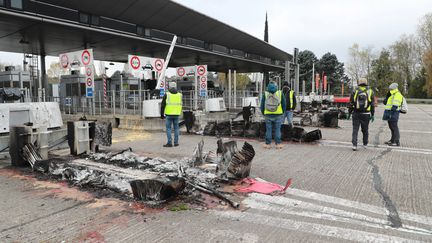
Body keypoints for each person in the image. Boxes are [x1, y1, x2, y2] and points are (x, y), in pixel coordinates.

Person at [348, 78, 375, 151]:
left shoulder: (355, 91)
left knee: (355, 129)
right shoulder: (370, 91)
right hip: (366, 114)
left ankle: (354, 145)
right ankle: (365, 144)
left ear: (359, 83)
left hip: (356, 113)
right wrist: (372, 114)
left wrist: (349, 113)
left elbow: (351, 103)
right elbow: (372, 104)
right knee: (365, 130)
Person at [260, 81, 286, 149]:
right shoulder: (280, 93)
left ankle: (268, 144)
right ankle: (278, 144)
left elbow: (262, 105)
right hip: (278, 115)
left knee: (268, 130)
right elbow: (284, 104)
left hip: (268, 115)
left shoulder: (265, 94)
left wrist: (263, 113)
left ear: (268, 87)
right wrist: (282, 112)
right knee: (277, 129)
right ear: (276, 86)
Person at [160, 82, 182, 147]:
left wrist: (161, 114)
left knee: (168, 128)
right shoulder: (180, 95)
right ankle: (176, 143)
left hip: (169, 114)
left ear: (169, 87)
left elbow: (162, 105)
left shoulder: (166, 94)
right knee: (176, 129)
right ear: (175, 87)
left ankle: (169, 143)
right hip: (177, 114)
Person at [383, 82, 404, 146]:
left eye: (391, 89)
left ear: (394, 88)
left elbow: (395, 106)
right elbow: (385, 102)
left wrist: (390, 114)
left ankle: (396, 141)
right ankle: (392, 140)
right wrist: (387, 96)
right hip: (389, 113)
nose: (390, 90)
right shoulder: (391, 94)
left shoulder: (397, 94)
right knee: (391, 127)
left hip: (393, 113)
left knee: (394, 127)